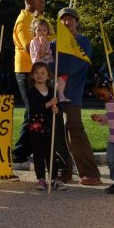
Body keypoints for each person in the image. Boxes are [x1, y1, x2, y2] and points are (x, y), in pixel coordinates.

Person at [50, 7, 102, 186]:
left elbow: (71, 67)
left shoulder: (83, 41)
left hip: (72, 95)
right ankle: (64, 171)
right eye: (63, 20)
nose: (67, 22)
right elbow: (43, 66)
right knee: (58, 134)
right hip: (54, 95)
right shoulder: (53, 44)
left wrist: (57, 62)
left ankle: (90, 172)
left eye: (70, 19)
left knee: (75, 132)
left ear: (77, 22)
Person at [11, 0, 45, 165]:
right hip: (26, 71)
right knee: (32, 111)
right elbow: (29, 46)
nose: (42, 1)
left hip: (38, 71)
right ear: (28, 1)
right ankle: (19, 153)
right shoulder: (24, 20)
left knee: (32, 112)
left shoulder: (40, 19)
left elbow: (53, 40)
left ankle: (22, 152)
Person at [26, 61, 68, 191]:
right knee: (38, 153)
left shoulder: (52, 91)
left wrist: (57, 110)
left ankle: (54, 178)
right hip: (36, 127)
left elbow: (59, 108)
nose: (40, 75)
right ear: (32, 76)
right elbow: (34, 109)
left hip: (50, 126)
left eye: (43, 73)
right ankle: (41, 179)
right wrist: (49, 103)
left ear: (48, 76)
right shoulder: (31, 92)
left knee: (51, 153)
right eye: (36, 73)